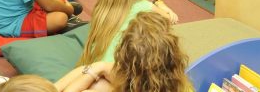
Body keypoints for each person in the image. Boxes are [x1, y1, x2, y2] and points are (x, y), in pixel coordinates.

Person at [55, 12, 191, 92]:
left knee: (95, 81)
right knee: (94, 73)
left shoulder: (121, 79)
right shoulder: (180, 83)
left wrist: (96, 69)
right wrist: (99, 67)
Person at [79, 0, 178, 66]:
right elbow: (170, 19)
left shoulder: (102, 8)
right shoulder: (144, 6)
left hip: (94, 66)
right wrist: (162, 5)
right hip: (118, 71)